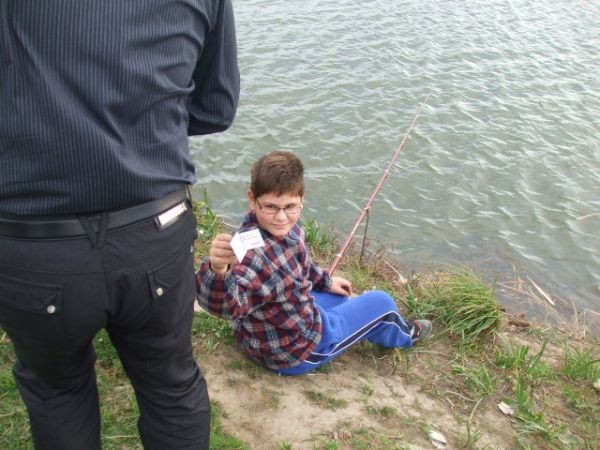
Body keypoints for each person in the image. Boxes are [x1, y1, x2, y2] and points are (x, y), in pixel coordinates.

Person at [0, 1, 239, 449]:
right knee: (171, 387)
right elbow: (216, 107)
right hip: (155, 230)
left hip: (34, 242)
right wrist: (140, 127)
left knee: (57, 392)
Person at [196, 151, 431, 375]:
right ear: (252, 200)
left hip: (261, 333)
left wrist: (325, 281)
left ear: (301, 200)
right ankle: (406, 333)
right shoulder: (248, 253)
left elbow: (302, 265)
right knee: (382, 303)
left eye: (290, 206)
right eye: (270, 207)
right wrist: (218, 270)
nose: (281, 217)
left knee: (341, 297)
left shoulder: (287, 229)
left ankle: (364, 322)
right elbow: (224, 306)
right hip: (293, 353)